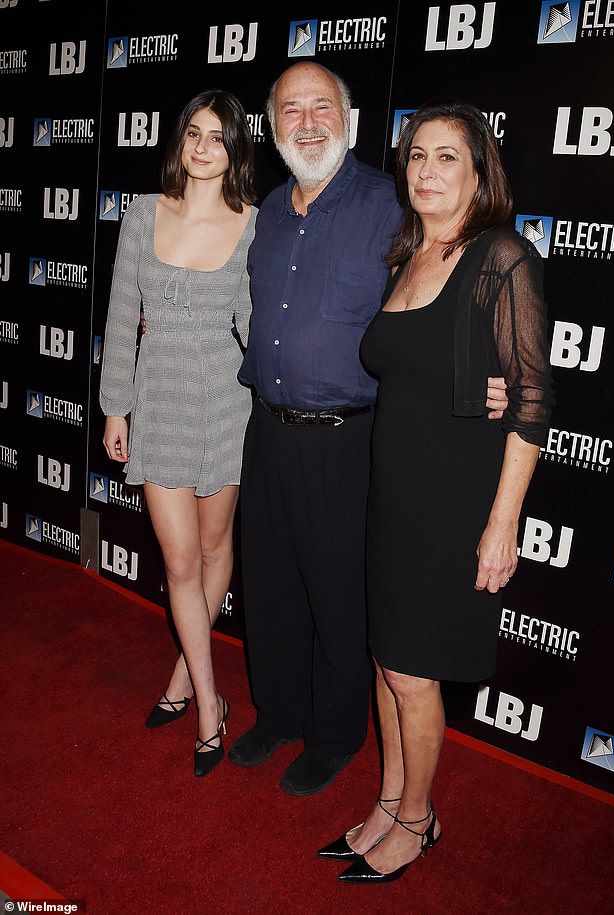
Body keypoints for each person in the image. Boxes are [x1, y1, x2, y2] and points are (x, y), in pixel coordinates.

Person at [230, 63, 509, 797]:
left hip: (349, 440)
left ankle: (332, 734)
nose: (309, 121)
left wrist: (488, 369)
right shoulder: (265, 213)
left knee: (339, 598)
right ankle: (280, 712)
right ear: (273, 126)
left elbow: (453, 281)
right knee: (273, 587)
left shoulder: (391, 206)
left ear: (349, 120)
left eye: (323, 106)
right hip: (268, 432)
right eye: (292, 109)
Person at [316, 102, 553, 881]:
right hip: (393, 495)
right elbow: (425, 369)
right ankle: (389, 801)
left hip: (454, 505)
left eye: (447, 157)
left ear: (479, 172)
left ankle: (419, 819)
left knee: (415, 672)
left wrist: (502, 523)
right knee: (389, 660)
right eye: (417, 155)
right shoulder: (406, 255)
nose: (426, 171)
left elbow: (530, 401)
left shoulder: (503, 258)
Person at [99, 89, 257, 778]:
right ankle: (210, 706)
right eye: (193, 132)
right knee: (182, 563)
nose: (201, 146)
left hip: (226, 402)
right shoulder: (143, 213)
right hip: (158, 402)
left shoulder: (253, 224)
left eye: (217, 137)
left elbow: (257, 328)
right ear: (179, 141)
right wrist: (115, 408)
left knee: (217, 547)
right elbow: (117, 315)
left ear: (236, 149)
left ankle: (181, 675)